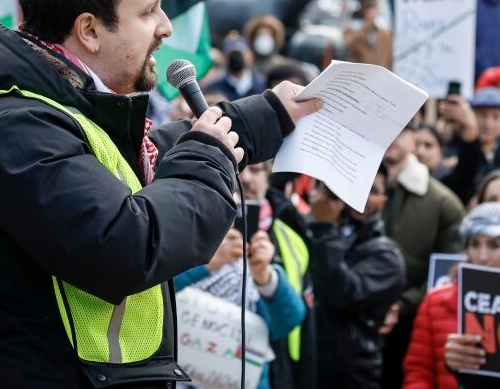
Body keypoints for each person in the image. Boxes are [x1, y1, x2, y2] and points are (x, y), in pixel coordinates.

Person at [0, 0, 321, 387]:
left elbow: (159, 155)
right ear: (90, 30)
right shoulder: (12, 126)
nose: (165, 27)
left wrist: (274, 114)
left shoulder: (62, 113)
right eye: (148, 11)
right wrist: (209, 155)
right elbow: (122, 244)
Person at [403, 202, 500, 389]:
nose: (482, 256)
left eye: (494, 245)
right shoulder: (436, 301)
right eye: (475, 244)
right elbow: (418, 371)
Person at [381, 123, 465, 389]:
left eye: (401, 128)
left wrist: (402, 305)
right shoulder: (343, 187)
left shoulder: (443, 203)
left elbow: (448, 273)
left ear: (414, 138)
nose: (391, 136)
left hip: (411, 326)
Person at [308, 166, 406, 389]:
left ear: (383, 201)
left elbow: (342, 293)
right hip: (308, 365)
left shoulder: (387, 256)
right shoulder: (318, 229)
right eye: (356, 185)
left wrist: (324, 226)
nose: (361, 195)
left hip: (349, 375)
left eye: (371, 190)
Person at [173, 227, 306, 389]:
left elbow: (287, 322)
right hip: (173, 376)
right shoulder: (180, 238)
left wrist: (264, 276)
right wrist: (207, 263)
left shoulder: (268, 244)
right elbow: (154, 296)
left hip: (242, 379)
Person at [239, 161, 317, 389]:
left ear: (268, 176)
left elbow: (296, 318)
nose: (245, 179)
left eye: (255, 169)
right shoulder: (195, 227)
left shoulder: (291, 236)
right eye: (236, 168)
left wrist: (267, 279)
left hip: (271, 370)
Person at [204, 31, 267, 101]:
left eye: (239, 54)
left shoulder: (263, 85)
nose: (236, 58)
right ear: (224, 58)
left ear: (250, 56)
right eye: (232, 55)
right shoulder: (213, 89)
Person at [343, 0, 392, 70]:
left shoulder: (384, 31)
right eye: (369, 6)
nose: (373, 11)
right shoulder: (352, 27)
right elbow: (348, 44)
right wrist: (366, 26)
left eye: (375, 7)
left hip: (381, 75)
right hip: (360, 74)